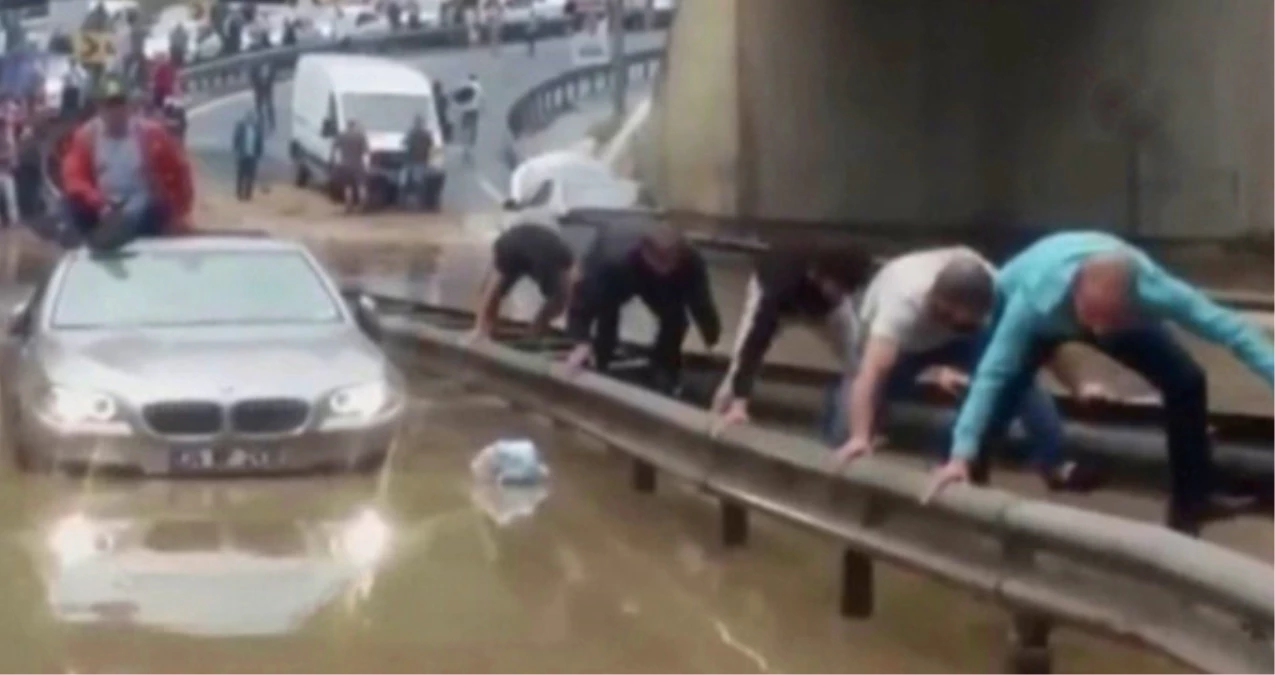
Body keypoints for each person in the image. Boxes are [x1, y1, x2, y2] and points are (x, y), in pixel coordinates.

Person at [927, 231, 1275, 534]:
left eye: (1106, 321)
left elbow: (1234, 331)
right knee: (1002, 392)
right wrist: (962, 452)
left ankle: (1192, 501)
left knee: (1186, 380)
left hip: (1108, 309)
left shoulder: (1155, 290)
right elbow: (992, 373)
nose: (1096, 333)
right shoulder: (1030, 304)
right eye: (1092, 321)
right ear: (1077, 292)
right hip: (1046, 311)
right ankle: (962, 474)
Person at [830, 246, 1100, 492]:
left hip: (961, 341)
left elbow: (1039, 347)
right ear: (935, 302)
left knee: (1016, 374)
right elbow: (871, 374)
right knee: (851, 423)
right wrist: (859, 435)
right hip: (904, 347)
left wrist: (1079, 384)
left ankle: (1053, 462)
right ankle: (834, 468)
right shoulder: (902, 304)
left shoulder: (999, 290)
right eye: (949, 318)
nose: (952, 325)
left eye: (965, 323)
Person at [710, 246, 875, 433]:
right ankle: (721, 415)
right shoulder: (781, 283)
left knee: (857, 361)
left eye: (847, 291)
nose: (841, 295)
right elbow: (755, 343)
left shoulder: (838, 298)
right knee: (739, 361)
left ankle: (861, 428)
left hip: (824, 312)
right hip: (774, 298)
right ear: (817, 276)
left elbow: (856, 354)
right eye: (838, 289)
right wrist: (740, 403)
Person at [563, 224, 721, 394]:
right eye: (662, 262)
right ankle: (602, 360)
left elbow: (700, 301)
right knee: (606, 311)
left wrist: (711, 338)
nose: (666, 269)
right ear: (646, 253)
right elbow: (582, 302)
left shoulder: (690, 260)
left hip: (657, 281)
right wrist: (580, 341)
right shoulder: (611, 259)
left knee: (675, 318)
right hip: (619, 274)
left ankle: (664, 369)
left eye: (672, 262)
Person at [61, 76, 193, 249]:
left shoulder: (152, 134)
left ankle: (122, 234)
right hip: (104, 207)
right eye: (109, 105)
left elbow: (179, 170)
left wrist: (179, 209)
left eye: (120, 103)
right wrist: (99, 203)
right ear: (99, 108)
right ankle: (99, 238)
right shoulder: (87, 137)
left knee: (154, 210)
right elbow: (74, 178)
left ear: (129, 105)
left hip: (141, 208)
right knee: (72, 204)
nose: (116, 111)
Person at [469, 222, 577, 342]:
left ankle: (484, 328)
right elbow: (564, 295)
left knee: (494, 288)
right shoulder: (564, 258)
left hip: (516, 242)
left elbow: (490, 289)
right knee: (559, 299)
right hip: (525, 247)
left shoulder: (560, 255)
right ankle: (534, 332)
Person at [331, 119, 368, 213]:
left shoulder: (342, 135)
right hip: (358, 164)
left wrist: (335, 161)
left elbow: (334, 148)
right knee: (361, 185)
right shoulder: (360, 136)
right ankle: (362, 205)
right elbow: (366, 152)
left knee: (348, 186)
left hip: (345, 164)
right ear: (355, 125)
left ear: (347, 125)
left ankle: (348, 206)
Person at [400, 114, 435, 209]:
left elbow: (404, 143)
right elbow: (431, 145)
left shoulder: (411, 133)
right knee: (418, 183)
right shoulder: (426, 134)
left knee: (405, 182)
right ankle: (419, 203)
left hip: (411, 160)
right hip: (421, 160)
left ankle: (403, 203)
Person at [232, 109, 264, 201]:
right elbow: (236, 140)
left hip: (252, 156)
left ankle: (248, 195)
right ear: (246, 118)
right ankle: (239, 194)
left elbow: (260, 143)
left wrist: (259, 154)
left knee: (251, 176)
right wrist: (237, 153)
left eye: (252, 118)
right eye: (249, 118)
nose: (251, 119)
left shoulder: (257, 128)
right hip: (242, 155)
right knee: (241, 176)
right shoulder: (241, 127)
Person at [453, 74, 483, 162]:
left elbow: (459, 97)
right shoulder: (479, 88)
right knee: (473, 128)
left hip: (466, 110)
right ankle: (471, 145)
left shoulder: (467, 86)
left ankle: (465, 147)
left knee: (464, 128)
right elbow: (482, 100)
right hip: (475, 111)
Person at [0, 117, 18, 229]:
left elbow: (13, 156)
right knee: (9, 200)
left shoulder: (8, 139)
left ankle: (13, 223)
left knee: (11, 200)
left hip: (6, 173)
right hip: (4, 173)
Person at [250, 61, 276, 132]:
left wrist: (269, 82)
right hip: (259, 87)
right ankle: (262, 122)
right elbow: (252, 76)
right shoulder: (255, 65)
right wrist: (257, 83)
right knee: (259, 106)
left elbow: (273, 74)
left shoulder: (269, 63)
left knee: (268, 105)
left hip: (267, 86)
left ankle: (271, 122)